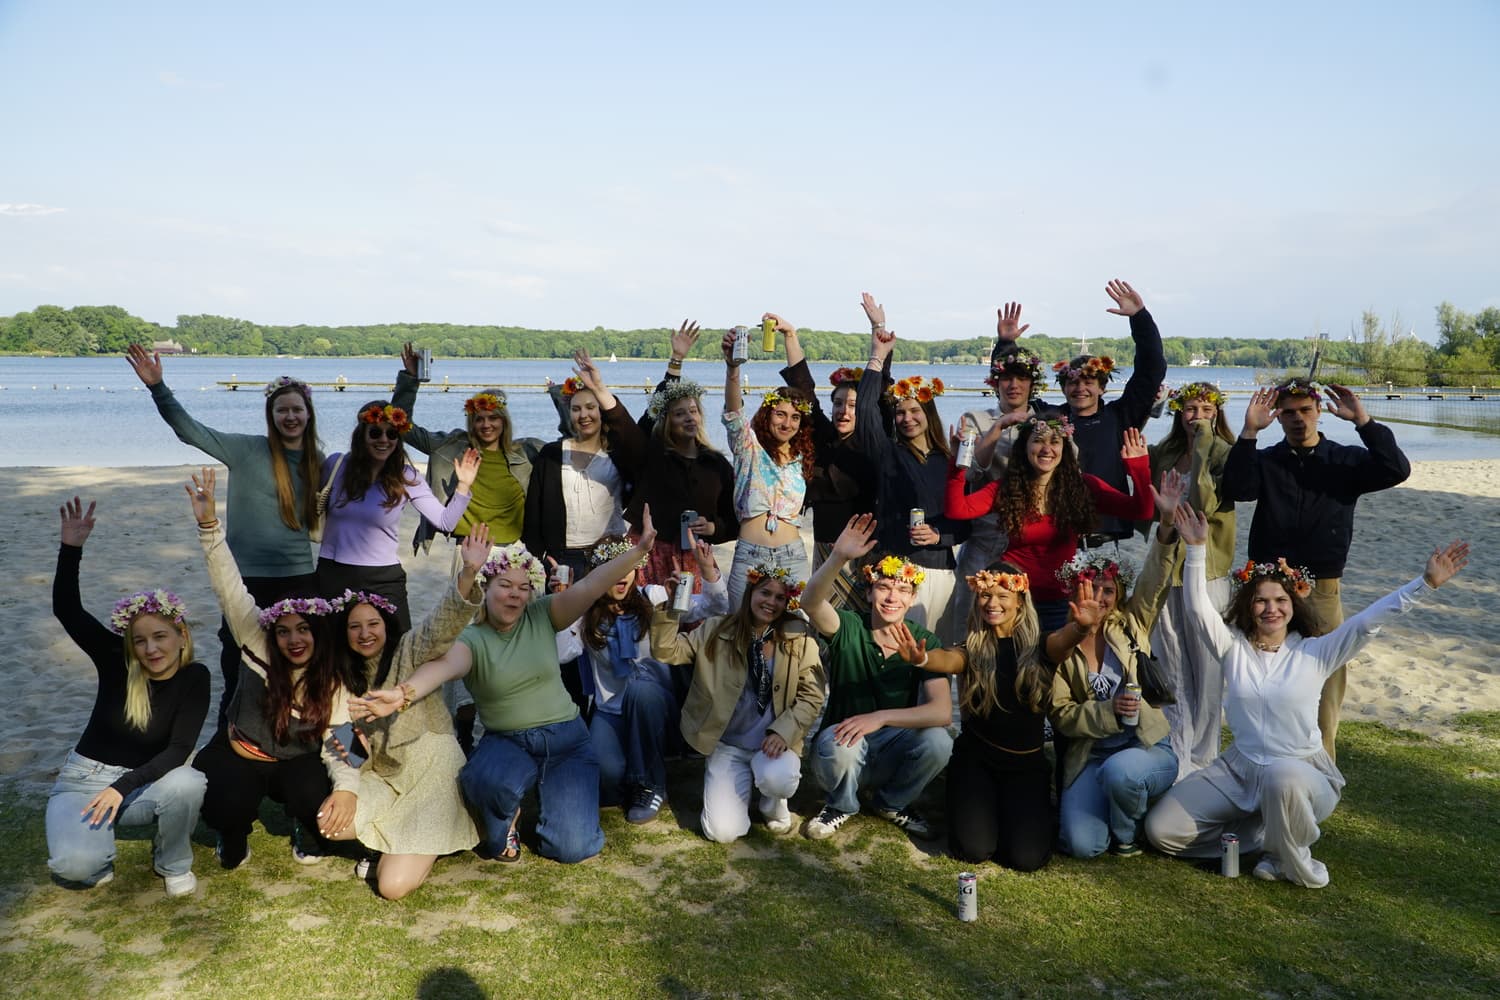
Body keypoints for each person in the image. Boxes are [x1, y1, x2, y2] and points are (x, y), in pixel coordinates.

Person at [1145, 507, 1468, 888]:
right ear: (1249, 606)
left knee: (1281, 777)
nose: (1271, 609)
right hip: (1239, 770)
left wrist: (1424, 584)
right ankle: (1261, 835)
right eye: (1261, 601)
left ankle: (1286, 856)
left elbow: (1368, 623)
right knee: (1161, 831)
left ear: (1292, 605)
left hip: (1302, 773)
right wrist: (1196, 548)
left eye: (1279, 600)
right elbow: (1198, 609)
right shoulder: (1232, 648)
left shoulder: (1316, 652)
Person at [358, 518, 660, 864]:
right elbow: (441, 667)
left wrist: (638, 552)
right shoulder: (472, 639)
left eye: (522, 587)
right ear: (486, 589)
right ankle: (504, 821)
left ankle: (554, 804)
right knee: (485, 782)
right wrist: (404, 693)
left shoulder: (544, 614)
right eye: (505, 584)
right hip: (509, 741)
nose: (515, 593)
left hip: (566, 743)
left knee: (571, 849)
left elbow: (592, 586)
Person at [127, 345, 321, 728]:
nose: (290, 416)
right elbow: (189, 430)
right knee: (238, 662)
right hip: (244, 578)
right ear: (271, 416)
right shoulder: (247, 449)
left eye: (297, 409)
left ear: (309, 414)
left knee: (296, 662)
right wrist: (158, 387)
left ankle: (296, 732)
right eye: (282, 410)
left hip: (298, 577)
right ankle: (229, 734)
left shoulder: (320, 461)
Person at [1221, 379, 1411, 761]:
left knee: (1328, 672)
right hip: (1267, 587)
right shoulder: (1268, 459)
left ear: (1319, 411)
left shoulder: (1345, 460)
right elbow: (1238, 488)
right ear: (1278, 417)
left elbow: (1396, 469)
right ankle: (1264, 755)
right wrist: (1249, 433)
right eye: (1288, 412)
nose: (1297, 419)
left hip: (1322, 586)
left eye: (1305, 410)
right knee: (1262, 670)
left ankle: (1323, 759)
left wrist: (1364, 421)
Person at [188, 469, 358, 869]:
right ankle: (232, 833)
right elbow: (228, 587)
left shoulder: (332, 675)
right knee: (220, 799)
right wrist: (209, 525)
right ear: (272, 631)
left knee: (316, 795)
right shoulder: (255, 640)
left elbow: (341, 742)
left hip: (299, 758)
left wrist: (347, 790)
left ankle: (305, 825)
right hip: (243, 751)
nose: (294, 639)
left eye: (303, 630)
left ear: (317, 631)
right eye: (284, 631)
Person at [47, 497, 209, 897]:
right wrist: (72, 549)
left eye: (160, 637)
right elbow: (68, 610)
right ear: (130, 645)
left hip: (137, 787)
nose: (152, 649)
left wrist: (122, 787)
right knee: (74, 869)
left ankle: (172, 862)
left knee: (189, 782)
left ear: (181, 636)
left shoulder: (195, 677)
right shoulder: (116, 661)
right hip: (82, 781)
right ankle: (95, 847)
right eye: (140, 641)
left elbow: (178, 749)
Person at [321, 525, 490, 899]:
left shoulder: (409, 650)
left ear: (387, 626)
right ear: (344, 633)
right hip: (384, 778)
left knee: (392, 887)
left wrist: (467, 573)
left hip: (431, 773)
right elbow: (338, 740)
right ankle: (397, 839)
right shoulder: (343, 679)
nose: (365, 634)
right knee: (330, 823)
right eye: (355, 627)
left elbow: (441, 626)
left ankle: (437, 832)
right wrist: (348, 786)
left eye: (373, 624)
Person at [798, 515, 954, 841]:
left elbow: (941, 712)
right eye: (883, 587)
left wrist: (880, 717)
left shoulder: (923, 639)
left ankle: (892, 803)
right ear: (869, 593)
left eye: (902, 590)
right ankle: (840, 805)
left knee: (940, 741)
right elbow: (810, 602)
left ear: (912, 599)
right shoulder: (849, 626)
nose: (892, 597)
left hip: (891, 746)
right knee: (839, 745)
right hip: (842, 743)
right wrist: (838, 557)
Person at [555, 534, 728, 823]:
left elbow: (716, 608)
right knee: (606, 777)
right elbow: (562, 654)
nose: (621, 577)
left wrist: (707, 571)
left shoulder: (655, 597)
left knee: (640, 690)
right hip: (611, 712)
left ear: (637, 568)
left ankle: (651, 783)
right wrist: (563, 602)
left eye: (628, 567)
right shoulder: (585, 613)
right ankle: (632, 768)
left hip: (656, 706)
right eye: (612, 570)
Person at [648, 564, 826, 843]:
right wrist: (672, 609)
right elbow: (666, 651)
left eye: (780, 597)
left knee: (779, 778)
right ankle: (737, 784)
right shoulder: (716, 628)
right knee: (722, 832)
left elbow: (812, 694)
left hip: (773, 745)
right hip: (728, 745)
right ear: (750, 591)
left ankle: (772, 802)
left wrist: (785, 731)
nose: (771, 602)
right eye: (765, 592)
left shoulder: (799, 637)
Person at [1046, 498, 1184, 859]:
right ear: (1077, 590)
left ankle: (1127, 832)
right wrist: (1108, 711)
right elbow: (1060, 715)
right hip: (1091, 756)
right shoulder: (1062, 644)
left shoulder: (1132, 625)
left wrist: (1166, 524)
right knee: (1082, 845)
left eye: (1108, 590)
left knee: (1122, 772)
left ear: (1119, 594)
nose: (1100, 597)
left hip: (1144, 746)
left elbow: (1155, 578)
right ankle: (1118, 806)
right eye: (1092, 588)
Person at [945, 419, 1157, 632]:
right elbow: (958, 509)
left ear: (1064, 449)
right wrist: (958, 464)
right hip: (1012, 599)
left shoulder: (1083, 487)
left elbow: (1142, 511)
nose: (1047, 449)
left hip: (1060, 601)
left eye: (1055, 442)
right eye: (1038, 441)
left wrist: (1139, 467)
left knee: (1054, 663)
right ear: (1025, 447)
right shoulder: (1007, 488)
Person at [917, 566, 1056, 871]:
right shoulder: (971, 649)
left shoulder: (1041, 647)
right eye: (985, 595)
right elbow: (948, 659)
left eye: (1002, 595)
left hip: (1026, 767)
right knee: (974, 849)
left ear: (1019, 600)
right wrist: (923, 658)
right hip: (977, 761)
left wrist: (1082, 628)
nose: (992, 603)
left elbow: (1066, 640)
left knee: (1026, 859)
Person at [317, 400, 480, 631]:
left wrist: (463, 485)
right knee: (331, 647)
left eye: (392, 433)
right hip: (334, 572)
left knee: (397, 645)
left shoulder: (406, 476)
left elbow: (445, 521)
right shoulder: (337, 464)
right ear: (361, 435)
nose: (384, 440)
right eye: (375, 433)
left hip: (383, 577)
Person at [855, 292, 964, 634]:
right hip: (895, 570)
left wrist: (939, 535)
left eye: (914, 411)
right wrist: (877, 356)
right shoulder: (886, 451)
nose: (906, 418)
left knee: (934, 660)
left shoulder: (950, 460)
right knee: (894, 658)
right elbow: (866, 410)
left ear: (928, 414)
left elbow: (966, 523)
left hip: (940, 573)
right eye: (900, 412)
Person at [600, 322, 737, 589]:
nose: (689, 417)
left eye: (693, 411)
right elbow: (641, 420)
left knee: (694, 625)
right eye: (679, 413)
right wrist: (676, 362)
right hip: (648, 553)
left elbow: (733, 521)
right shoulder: (652, 456)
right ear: (668, 421)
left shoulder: (716, 463)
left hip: (695, 558)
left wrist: (712, 529)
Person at [1146, 382, 1237, 777]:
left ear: (1216, 412)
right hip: (1169, 567)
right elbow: (1152, 505)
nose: (1195, 415)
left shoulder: (1223, 454)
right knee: (1171, 660)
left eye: (1204, 408)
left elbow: (1204, 503)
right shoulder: (1165, 452)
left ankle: (1204, 755)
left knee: (1208, 667)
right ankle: (1177, 749)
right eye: (1189, 408)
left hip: (1209, 568)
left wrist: (1202, 444)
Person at [778, 325, 892, 612]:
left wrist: (878, 336)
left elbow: (879, 398)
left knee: (859, 620)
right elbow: (804, 390)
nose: (844, 411)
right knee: (822, 620)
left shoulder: (872, 444)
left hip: (861, 552)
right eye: (838, 404)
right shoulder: (825, 437)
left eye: (853, 405)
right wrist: (790, 337)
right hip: (824, 547)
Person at [952, 306, 1050, 631]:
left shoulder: (1047, 422)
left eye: (1021, 378)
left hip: (1032, 538)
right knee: (971, 624)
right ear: (996, 383)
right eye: (1006, 378)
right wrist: (999, 428)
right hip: (985, 537)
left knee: (1027, 627)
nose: (1013, 385)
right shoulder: (974, 419)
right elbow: (969, 471)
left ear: (1031, 384)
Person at [1047, 280, 1166, 545]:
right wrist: (1005, 343)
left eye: (1089, 382)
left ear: (1102, 387)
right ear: (1063, 387)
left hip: (1109, 536)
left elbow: (1151, 370)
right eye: (1073, 383)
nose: (1080, 388)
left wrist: (1139, 317)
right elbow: (1013, 393)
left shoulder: (1121, 417)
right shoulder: (1050, 420)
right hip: (1058, 539)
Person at [392, 350, 538, 552]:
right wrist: (410, 379)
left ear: (504, 421)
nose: (486, 425)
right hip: (467, 549)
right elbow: (402, 426)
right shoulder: (452, 446)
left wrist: (563, 398)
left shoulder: (526, 452)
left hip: (514, 550)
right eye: (479, 419)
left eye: (493, 418)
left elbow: (571, 442)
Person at [720, 316, 815, 607]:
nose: (787, 423)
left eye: (795, 417)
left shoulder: (803, 457)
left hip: (792, 555)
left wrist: (791, 336)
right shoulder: (750, 448)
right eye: (780, 414)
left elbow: (806, 388)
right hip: (750, 554)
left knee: (795, 628)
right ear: (767, 415)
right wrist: (732, 368)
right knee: (740, 629)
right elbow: (734, 413)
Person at [522, 349, 631, 579]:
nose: (584, 415)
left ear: (601, 411)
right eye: (576, 409)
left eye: (591, 407)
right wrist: (536, 561)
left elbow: (637, 437)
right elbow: (534, 513)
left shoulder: (619, 453)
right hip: (561, 559)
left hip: (609, 555)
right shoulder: (551, 455)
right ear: (568, 413)